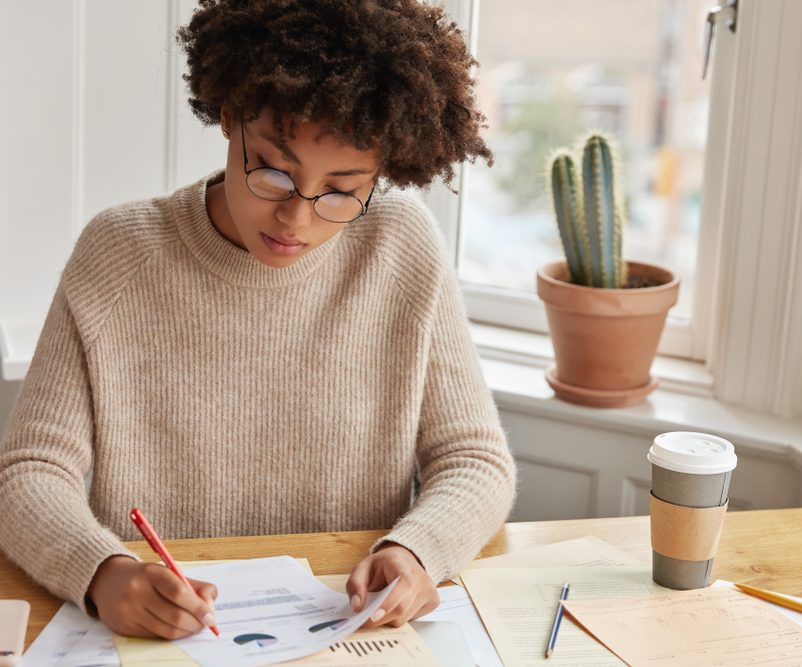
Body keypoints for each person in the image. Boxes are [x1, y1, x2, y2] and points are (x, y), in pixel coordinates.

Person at [0, 0, 516, 639]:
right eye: (273, 171)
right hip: (166, 637)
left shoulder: (399, 246)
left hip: (347, 632)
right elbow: (30, 472)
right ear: (229, 115)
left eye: (341, 191)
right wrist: (102, 572)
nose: (296, 218)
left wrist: (418, 550)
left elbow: (473, 459)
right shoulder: (120, 254)